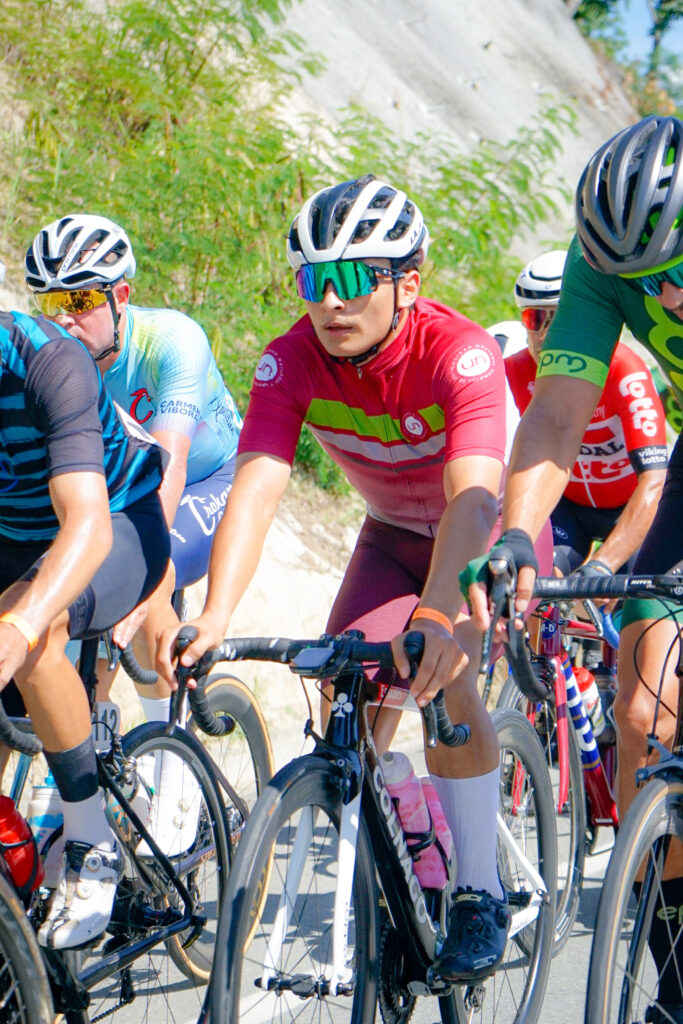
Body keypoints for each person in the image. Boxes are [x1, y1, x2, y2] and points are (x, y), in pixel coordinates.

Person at [157, 174, 553, 983]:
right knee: (345, 702)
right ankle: (408, 830)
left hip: (475, 534)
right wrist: (217, 613)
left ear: (408, 282)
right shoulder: (290, 360)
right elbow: (257, 488)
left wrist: (438, 617)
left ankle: (479, 890)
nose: (329, 303)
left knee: (444, 679)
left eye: (349, 279)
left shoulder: (459, 353)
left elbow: (473, 502)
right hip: (390, 536)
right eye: (313, 281)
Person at [465, 114, 683, 1020]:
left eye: (673, 270)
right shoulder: (598, 270)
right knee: (643, 714)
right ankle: (671, 961)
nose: (666, 298)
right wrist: (518, 535)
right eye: (644, 283)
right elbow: (554, 415)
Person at [24, 215, 243, 851]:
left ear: (121, 295)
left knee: (153, 566)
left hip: (206, 479)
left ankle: (176, 769)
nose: (66, 319)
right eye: (53, 304)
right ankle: (85, 755)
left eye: (82, 301)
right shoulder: (54, 359)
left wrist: (146, 580)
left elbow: (170, 471)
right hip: (124, 488)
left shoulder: (173, 340)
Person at [0, 308, 169, 949]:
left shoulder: (48, 362)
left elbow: (88, 526)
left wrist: (20, 624)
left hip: (116, 522)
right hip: (15, 536)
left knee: (33, 629)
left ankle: (90, 839)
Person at [506, 248, 667, 578]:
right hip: (567, 511)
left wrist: (601, 565)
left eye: (561, 318)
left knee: (629, 596)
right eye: (536, 319)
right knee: (534, 580)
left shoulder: (625, 371)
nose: (547, 334)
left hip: (630, 508)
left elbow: (655, 480)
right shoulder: (511, 373)